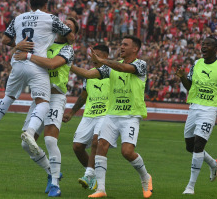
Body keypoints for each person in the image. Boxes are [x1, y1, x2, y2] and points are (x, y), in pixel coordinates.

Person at [0, 0, 74, 154]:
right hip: (36, 63)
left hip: (17, 62)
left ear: (29, 5)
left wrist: (18, 43)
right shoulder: (51, 18)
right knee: (43, 101)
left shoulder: (18, 18)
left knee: (8, 97)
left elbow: (5, 40)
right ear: (46, 5)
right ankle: (30, 132)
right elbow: (70, 36)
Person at [70, 35, 153, 198]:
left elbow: (122, 69)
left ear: (135, 48)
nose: (121, 47)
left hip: (130, 116)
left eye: (125, 44)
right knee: (101, 146)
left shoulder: (141, 64)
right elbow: (88, 74)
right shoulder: (111, 67)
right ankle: (101, 189)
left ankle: (145, 177)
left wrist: (102, 60)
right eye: (120, 44)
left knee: (127, 152)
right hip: (112, 115)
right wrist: (67, 65)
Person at [13, 17, 79, 197]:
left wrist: (27, 55)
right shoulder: (44, 43)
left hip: (56, 97)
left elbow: (51, 64)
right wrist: (18, 47)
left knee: (50, 140)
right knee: (26, 144)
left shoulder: (67, 50)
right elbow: (16, 53)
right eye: (64, 24)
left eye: (70, 28)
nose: (65, 28)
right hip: (39, 97)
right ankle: (51, 171)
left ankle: (56, 184)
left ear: (73, 35)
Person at [176, 36, 217, 195]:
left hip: (210, 109)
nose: (203, 47)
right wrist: (183, 76)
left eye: (208, 45)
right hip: (195, 107)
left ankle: (190, 186)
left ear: (216, 48)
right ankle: (213, 163)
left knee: (198, 145)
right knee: (189, 146)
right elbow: (189, 86)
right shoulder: (196, 64)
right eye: (203, 44)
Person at [62, 44, 110, 191]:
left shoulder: (111, 71)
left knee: (96, 141)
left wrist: (67, 64)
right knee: (77, 147)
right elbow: (84, 95)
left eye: (98, 56)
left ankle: (89, 175)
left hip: (106, 114)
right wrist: (71, 112)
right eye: (92, 56)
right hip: (89, 114)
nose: (93, 59)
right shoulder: (89, 74)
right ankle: (94, 174)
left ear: (106, 57)